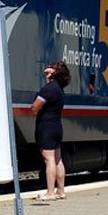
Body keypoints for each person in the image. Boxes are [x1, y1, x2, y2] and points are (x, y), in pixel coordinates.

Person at [31, 61, 70, 201]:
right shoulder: (59, 89)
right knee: (58, 160)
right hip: (57, 127)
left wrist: (35, 108)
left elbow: (35, 107)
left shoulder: (48, 89)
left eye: (49, 69)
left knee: (49, 160)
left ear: (54, 73)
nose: (46, 71)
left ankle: (50, 193)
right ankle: (61, 192)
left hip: (46, 127)